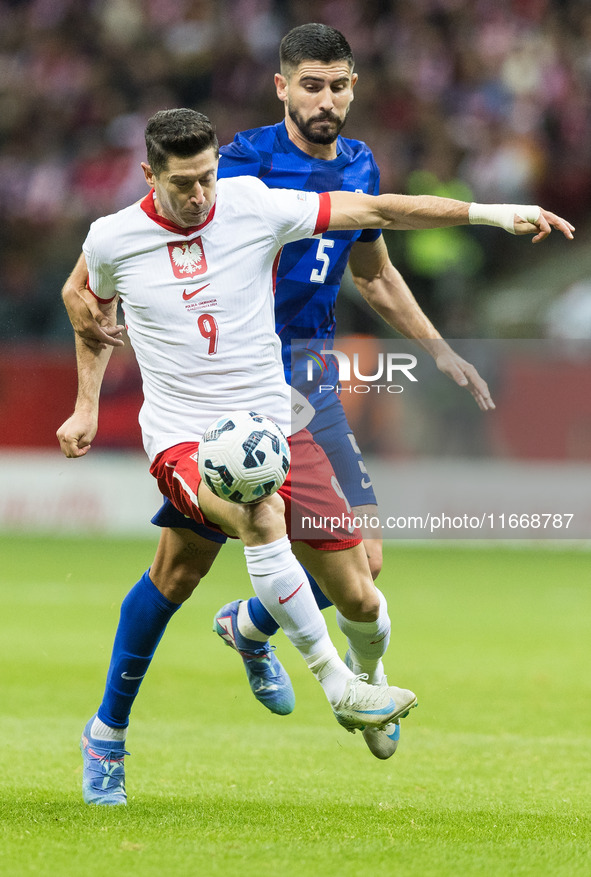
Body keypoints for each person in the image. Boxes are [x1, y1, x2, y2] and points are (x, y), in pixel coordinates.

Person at [61, 24, 574, 767]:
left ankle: (277, 638)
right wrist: (85, 315)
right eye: (310, 84)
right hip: (220, 384)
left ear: (354, 87)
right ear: (281, 87)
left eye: (337, 85)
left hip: (302, 378)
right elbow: (116, 257)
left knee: (363, 565)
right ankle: (122, 726)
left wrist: (437, 347)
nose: (325, 99)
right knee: (184, 565)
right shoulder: (237, 171)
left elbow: (374, 266)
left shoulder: (353, 167)